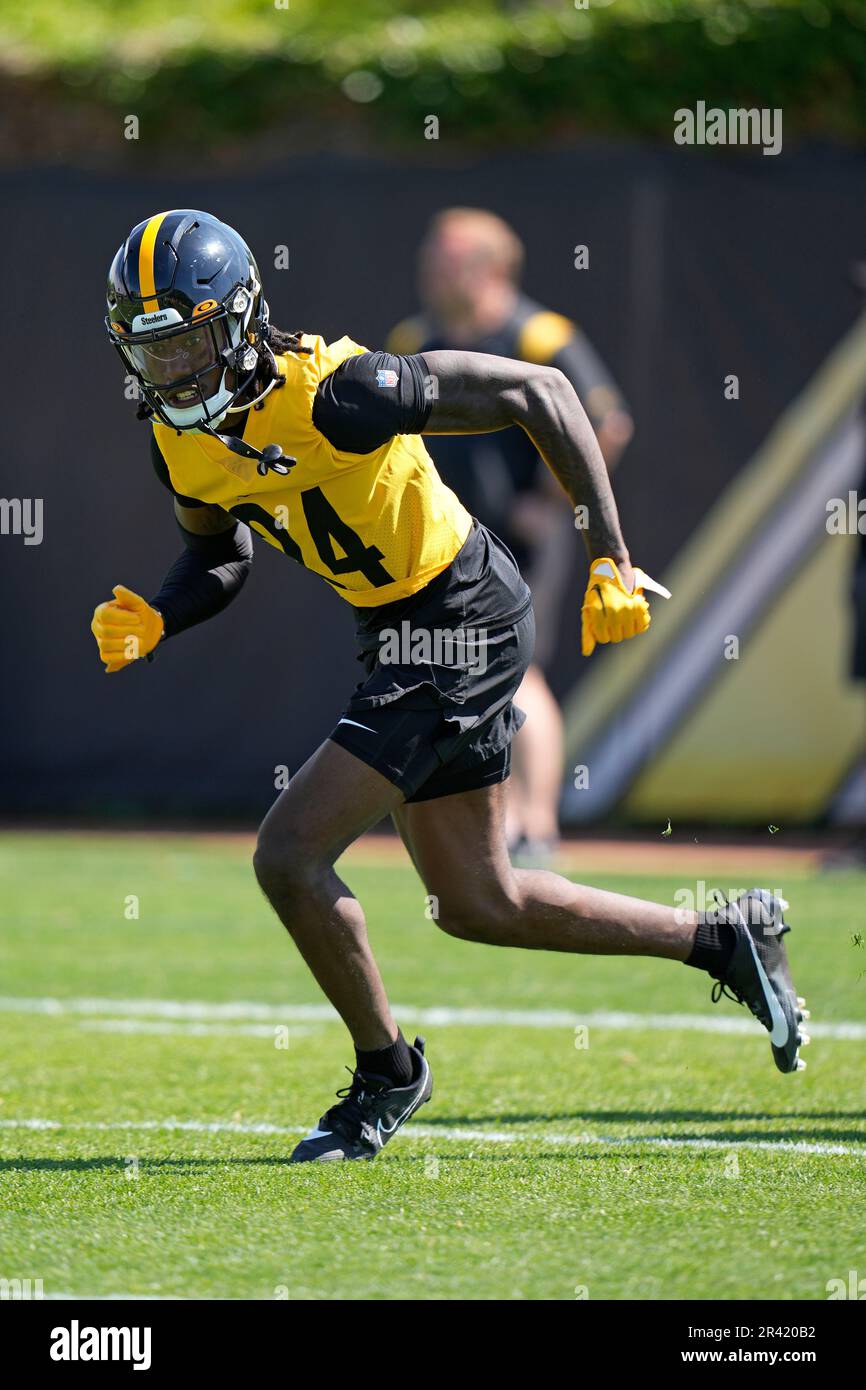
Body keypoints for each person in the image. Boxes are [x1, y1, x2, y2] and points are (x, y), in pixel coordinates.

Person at [91, 209, 809, 1165]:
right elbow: (218, 559)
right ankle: (727, 940)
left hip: (459, 616)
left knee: (288, 854)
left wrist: (612, 558)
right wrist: (160, 614)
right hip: (396, 630)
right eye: (151, 352)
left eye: (184, 344)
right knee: (481, 903)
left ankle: (386, 1075)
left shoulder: (338, 388)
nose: (169, 371)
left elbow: (542, 390)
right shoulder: (181, 440)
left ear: (239, 319)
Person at [389, 208, 634, 858]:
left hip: (517, 544)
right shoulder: (415, 337)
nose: (433, 272)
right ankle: (490, 831)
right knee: (445, 674)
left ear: (493, 268)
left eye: (449, 261)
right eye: (430, 260)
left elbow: (606, 426)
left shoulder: (541, 337)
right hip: (439, 545)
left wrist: (546, 500)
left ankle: (538, 829)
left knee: (519, 673)